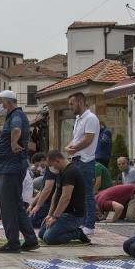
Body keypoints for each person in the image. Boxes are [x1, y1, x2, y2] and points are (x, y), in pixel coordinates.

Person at [0, 90, 38, 253]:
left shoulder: (16, 116)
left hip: (11, 168)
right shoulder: (14, 115)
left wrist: (13, 143)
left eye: (0, 102)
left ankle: (13, 242)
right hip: (12, 167)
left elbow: (17, 130)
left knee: (7, 206)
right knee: (17, 205)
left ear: (9, 102)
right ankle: (30, 239)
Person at [63, 91, 99, 236]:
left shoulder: (91, 118)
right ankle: (82, 222)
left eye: (72, 104)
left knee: (87, 194)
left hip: (85, 160)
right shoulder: (79, 119)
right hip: (77, 159)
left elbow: (88, 139)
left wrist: (74, 149)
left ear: (80, 102)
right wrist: (68, 147)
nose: (70, 107)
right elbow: (77, 139)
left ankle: (89, 225)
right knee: (78, 194)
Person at [39, 150, 90, 245]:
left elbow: (66, 197)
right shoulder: (61, 172)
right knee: (41, 234)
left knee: (49, 238)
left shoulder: (71, 172)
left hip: (74, 215)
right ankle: (64, 228)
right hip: (63, 213)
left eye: (52, 165)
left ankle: (77, 233)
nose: (52, 168)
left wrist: (55, 217)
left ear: (57, 161)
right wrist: (50, 215)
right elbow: (56, 194)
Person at [28, 149, 61, 229]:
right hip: (47, 201)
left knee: (31, 222)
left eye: (39, 165)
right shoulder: (47, 171)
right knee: (28, 218)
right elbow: (42, 191)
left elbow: (47, 189)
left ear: (44, 160)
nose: (39, 168)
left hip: (51, 202)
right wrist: (32, 204)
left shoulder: (51, 169)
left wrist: (37, 206)